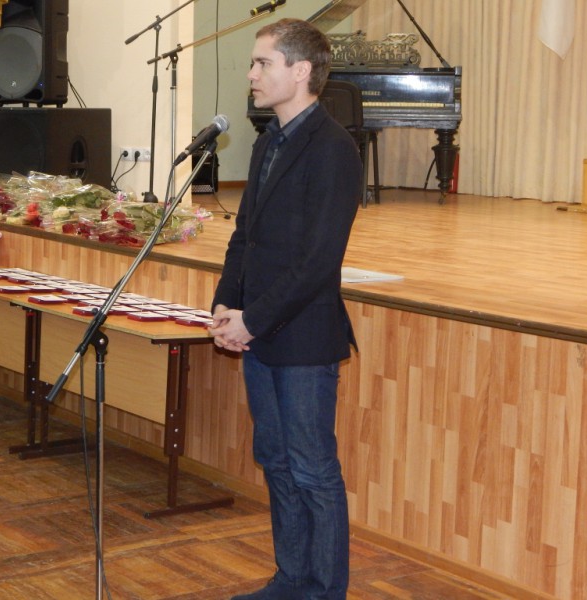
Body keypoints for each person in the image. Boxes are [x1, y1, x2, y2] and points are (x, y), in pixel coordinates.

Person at [209, 18, 362, 600]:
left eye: (262, 63)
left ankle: (324, 590)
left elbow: (318, 261)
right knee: (274, 459)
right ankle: (292, 579)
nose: (251, 73)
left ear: (300, 71)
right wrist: (226, 304)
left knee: (312, 469)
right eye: (254, 63)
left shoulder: (333, 148)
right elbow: (244, 237)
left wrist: (252, 320)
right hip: (258, 330)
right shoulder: (268, 140)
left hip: (301, 337)